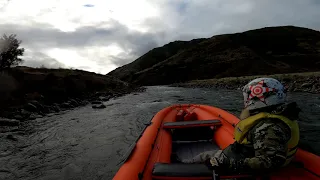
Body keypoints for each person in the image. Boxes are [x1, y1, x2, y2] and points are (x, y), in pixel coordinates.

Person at [181, 77, 300, 175]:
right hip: (241, 153)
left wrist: (230, 165)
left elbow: (270, 161)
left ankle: (180, 165)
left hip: (236, 161)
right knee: (205, 155)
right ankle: (183, 162)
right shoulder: (279, 118)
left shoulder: (268, 127)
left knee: (205, 156)